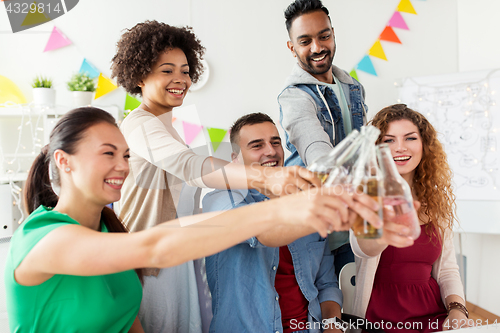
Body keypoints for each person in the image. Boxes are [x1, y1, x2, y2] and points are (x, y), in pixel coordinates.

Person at [5, 107, 367, 333]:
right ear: (63, 161)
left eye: (127, 155)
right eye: (108, 153)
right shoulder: (43, 239)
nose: (122, 166)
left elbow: (126, 321)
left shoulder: (107, 232)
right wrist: (290, 207)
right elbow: (158, 246)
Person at [110, 21, 322, 333]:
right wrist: (266, 179)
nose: (180, 79)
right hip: (150, 263)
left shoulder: (170, 125)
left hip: (176, 255)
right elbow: (191, 167)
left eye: (184, 70)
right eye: (167, 70)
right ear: (140, 75)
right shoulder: (139, 123)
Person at [203, 113, 381, 333]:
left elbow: (326, 285)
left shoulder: (306, 198)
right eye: (257, 145)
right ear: (236, 158)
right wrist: (326, 213)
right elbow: (263, 234)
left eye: (275, 142)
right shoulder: (220, 200)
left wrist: (332, 326)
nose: (270, 151)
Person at [350, 104, 470, 332]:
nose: (400, 148)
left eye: (410, 138)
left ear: (424, 144)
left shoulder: (435, 200)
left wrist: (457, 308)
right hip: (380, 320)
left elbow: (447, 269)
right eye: (389, 140)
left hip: (433, 315)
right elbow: (362, 249)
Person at [278, 0, 369, 277]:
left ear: (333, 33)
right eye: (305, 41)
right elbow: (314, 146)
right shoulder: (294, 96)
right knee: (329, 314)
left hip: (358, 226)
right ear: (292, 47)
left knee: (361, 312)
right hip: (317, 235)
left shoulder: (353, 87)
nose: (317, 48)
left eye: (324, 36)